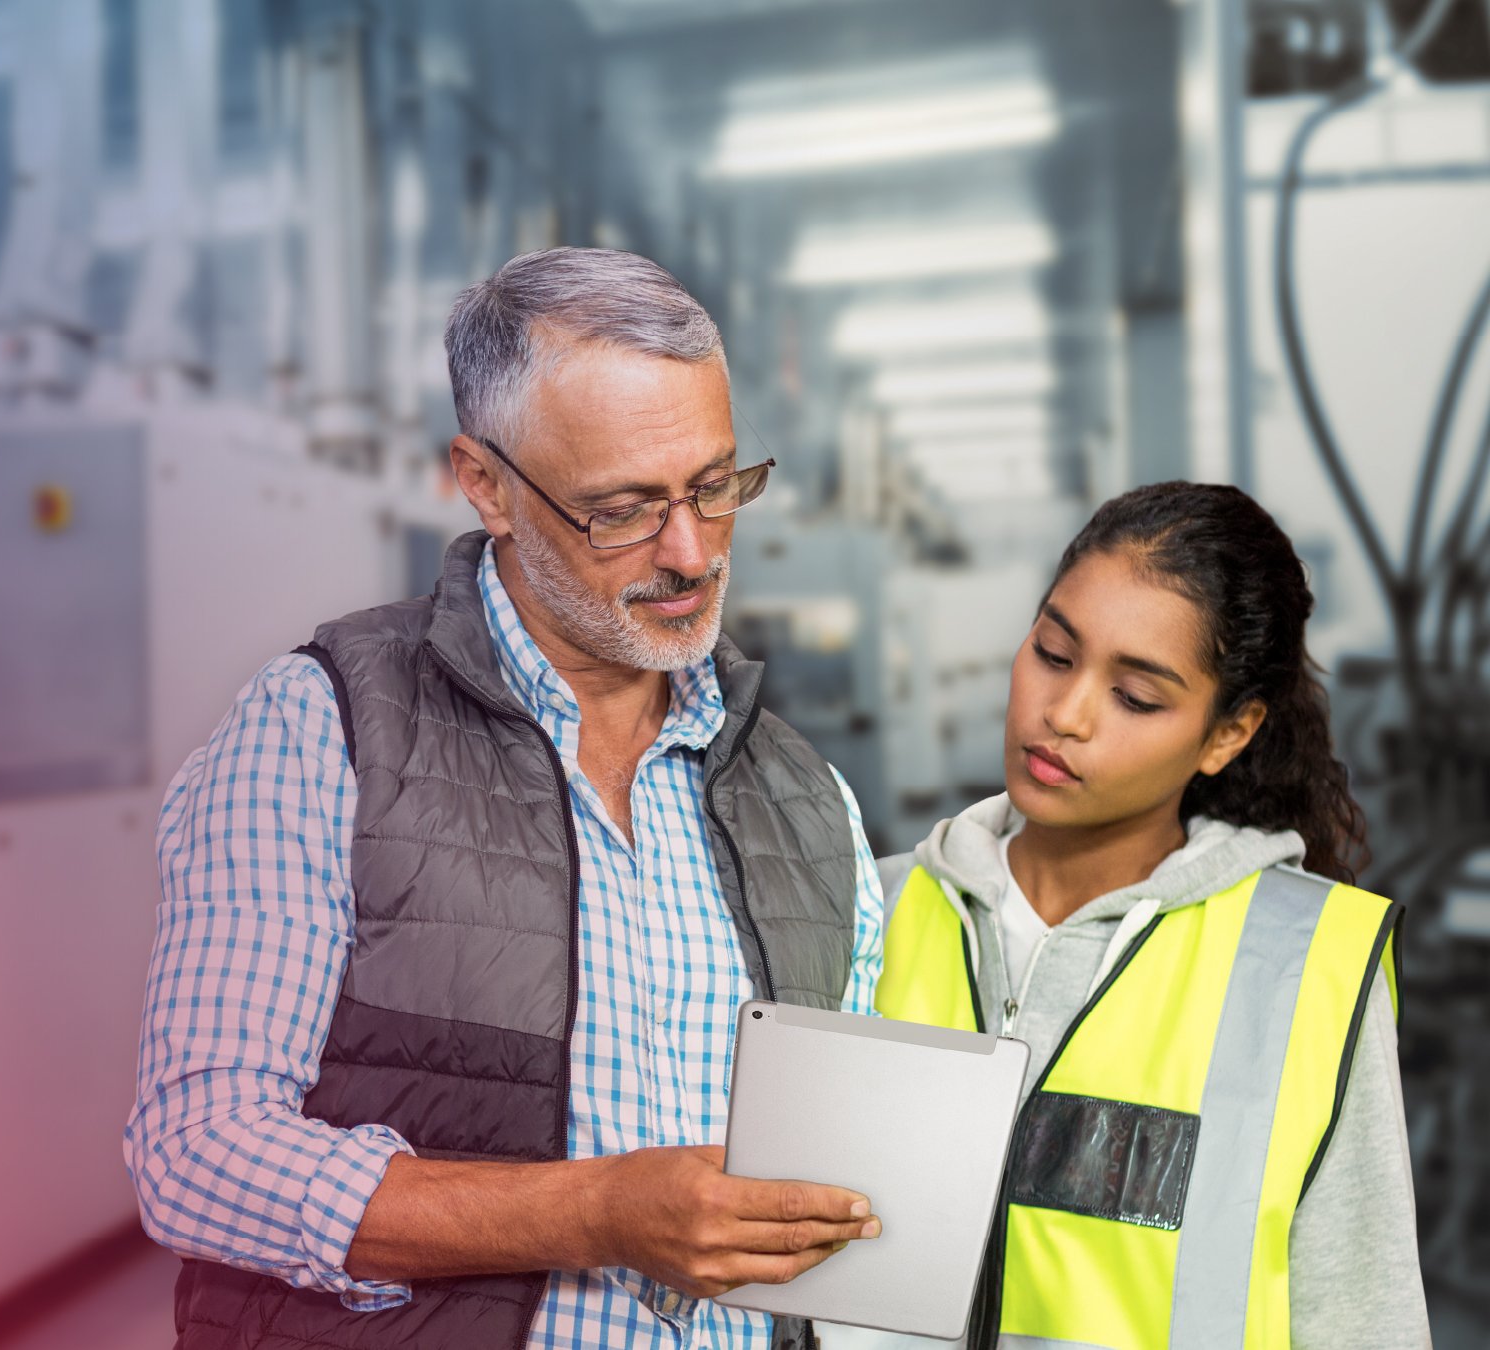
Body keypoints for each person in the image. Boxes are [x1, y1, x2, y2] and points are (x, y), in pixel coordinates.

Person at [124, 246, 888, 1350]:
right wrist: (596, 1214)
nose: (690, 552)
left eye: (716, 487)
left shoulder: (809, 802)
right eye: (621, 508)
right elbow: (197, 1155)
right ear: (485, 482)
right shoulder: (320, 731)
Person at [869, 481, 1429, 1349]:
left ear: (1228, 734)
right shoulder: (874, 912)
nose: (1065, 715)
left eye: (1136, 698)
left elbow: (1364, 1313)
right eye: (1053, 652)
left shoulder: (1306, 964)